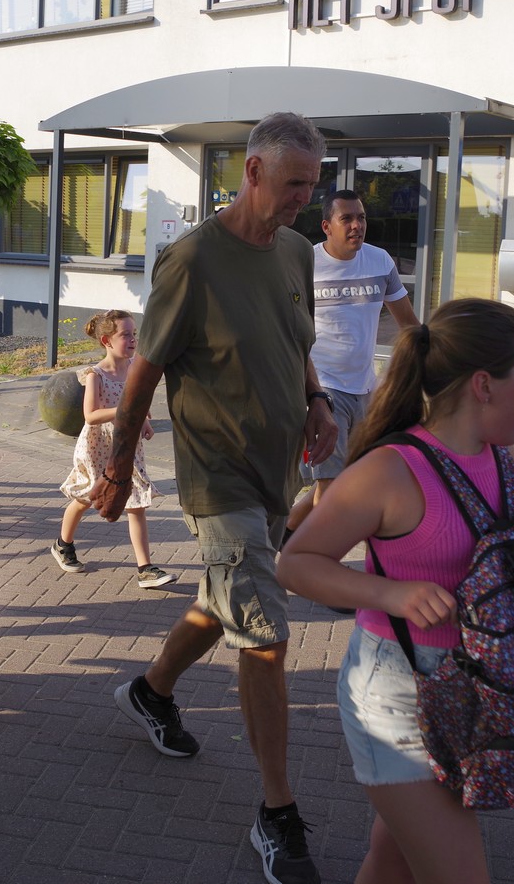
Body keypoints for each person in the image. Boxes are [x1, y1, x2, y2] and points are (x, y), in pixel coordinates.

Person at [92, 111, 339, 884]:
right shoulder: (193, 259)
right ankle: (276, 812)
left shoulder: (295, 251)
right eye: (294, 183)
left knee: (223, 597)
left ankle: (151, 692)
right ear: (253, 172)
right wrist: (117, 466)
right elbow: (145, 372)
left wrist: (318, 399)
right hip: (218, 473)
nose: (305, 199)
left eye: (312, 184)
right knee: (264, 636)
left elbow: (296, 340)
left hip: (277, 470)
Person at [277, 299, 514, 884]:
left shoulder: (505, 460)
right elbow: (295, 564)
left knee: (394, 859)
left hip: (470, 692)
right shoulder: (392, 469)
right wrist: (392, 595)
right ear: (484, 385)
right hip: (398, 695)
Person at [285, 189, 418, 538]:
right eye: (347, 218)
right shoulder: (306, 264)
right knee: (331, 485)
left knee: (350, 477)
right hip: (323, 390)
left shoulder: (380, 261)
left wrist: (418, 371)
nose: (357, 225)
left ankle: (287, 533)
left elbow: (409, 326)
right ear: (326, 226)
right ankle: (314, 556)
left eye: (361, 217)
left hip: (365, 388)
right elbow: (288, 330)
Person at [52, 309, 172, 588]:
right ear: (107, 341)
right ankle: (63, 544)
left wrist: (144, 421)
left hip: (128, 445)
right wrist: (124, 410)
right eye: (125, 335)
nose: (133, 340)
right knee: (86, 497)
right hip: (97, 447)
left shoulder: (134, 369)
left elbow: (139, 401)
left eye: (134, 334)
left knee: (136, 503)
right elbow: (91, 415)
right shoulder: (95, 375)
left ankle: (145, 568)